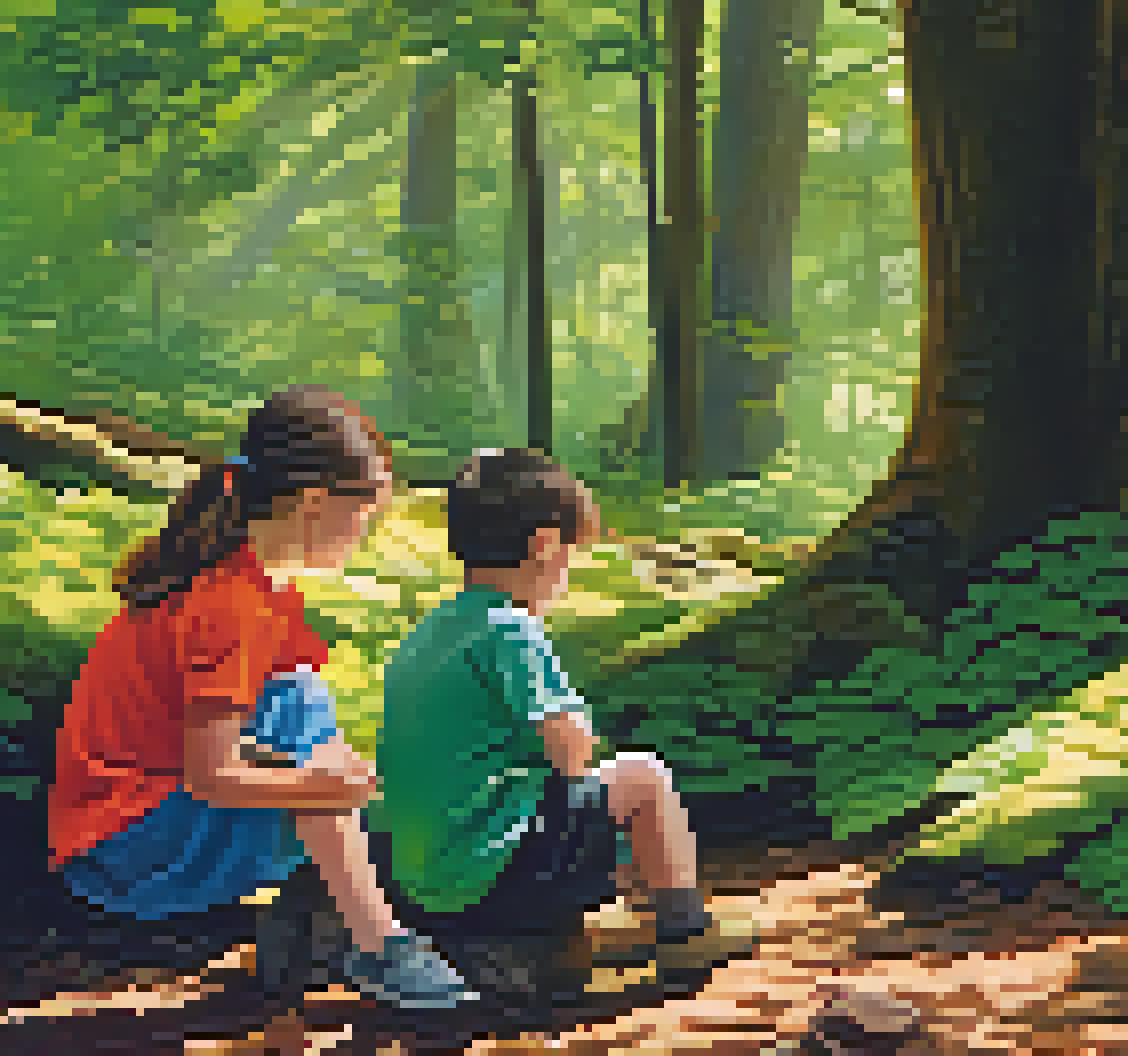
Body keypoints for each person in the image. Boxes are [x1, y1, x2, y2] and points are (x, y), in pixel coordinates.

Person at [48, 386, 475, 1008]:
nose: (366, 533)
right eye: (365, 514)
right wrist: (323, 785)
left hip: (118, 834)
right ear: (313, 501)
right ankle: (381, 945)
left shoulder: (239, 585)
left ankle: (368, 933)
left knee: (312, 732)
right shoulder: (232, 606)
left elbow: (211, 742)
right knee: (303, 708)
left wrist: (320, 777)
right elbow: (210, 774)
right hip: (126, 846)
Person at [371, 448, 756, 988]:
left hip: (422, 879)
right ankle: (685, 930)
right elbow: (572, 755)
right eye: (572, 557)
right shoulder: (510, 629)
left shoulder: (428, 633)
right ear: (545, 546)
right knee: (641, 779)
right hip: (495, 878)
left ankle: (626, 918)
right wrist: (577, 735)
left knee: (572, 803)